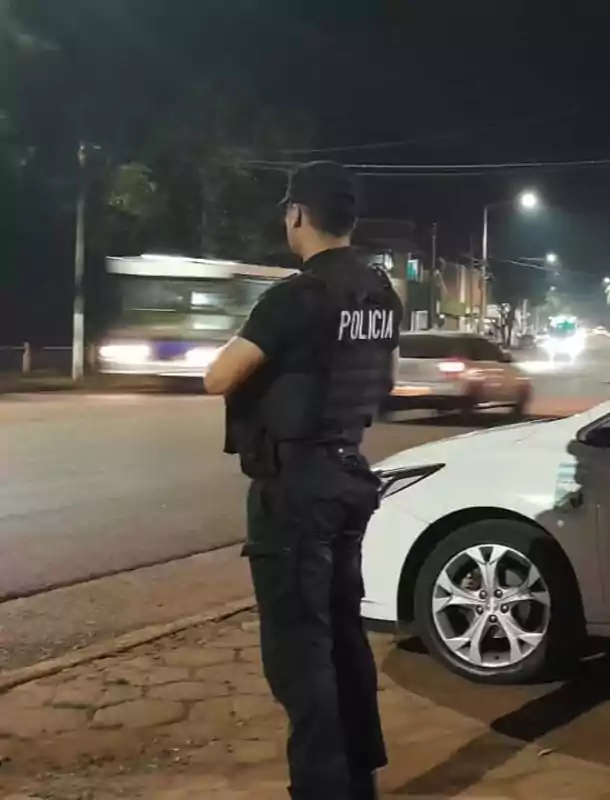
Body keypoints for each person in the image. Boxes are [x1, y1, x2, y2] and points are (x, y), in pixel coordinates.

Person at [203, 161, 402, 800]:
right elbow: (385, 381)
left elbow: (219, 376)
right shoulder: (380, 292)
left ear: (295, 214)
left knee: (300, 650)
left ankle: (320, 789)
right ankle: (358, 779)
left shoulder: (295, 297)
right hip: (349, 475)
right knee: (345, 637)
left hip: (296, 489)